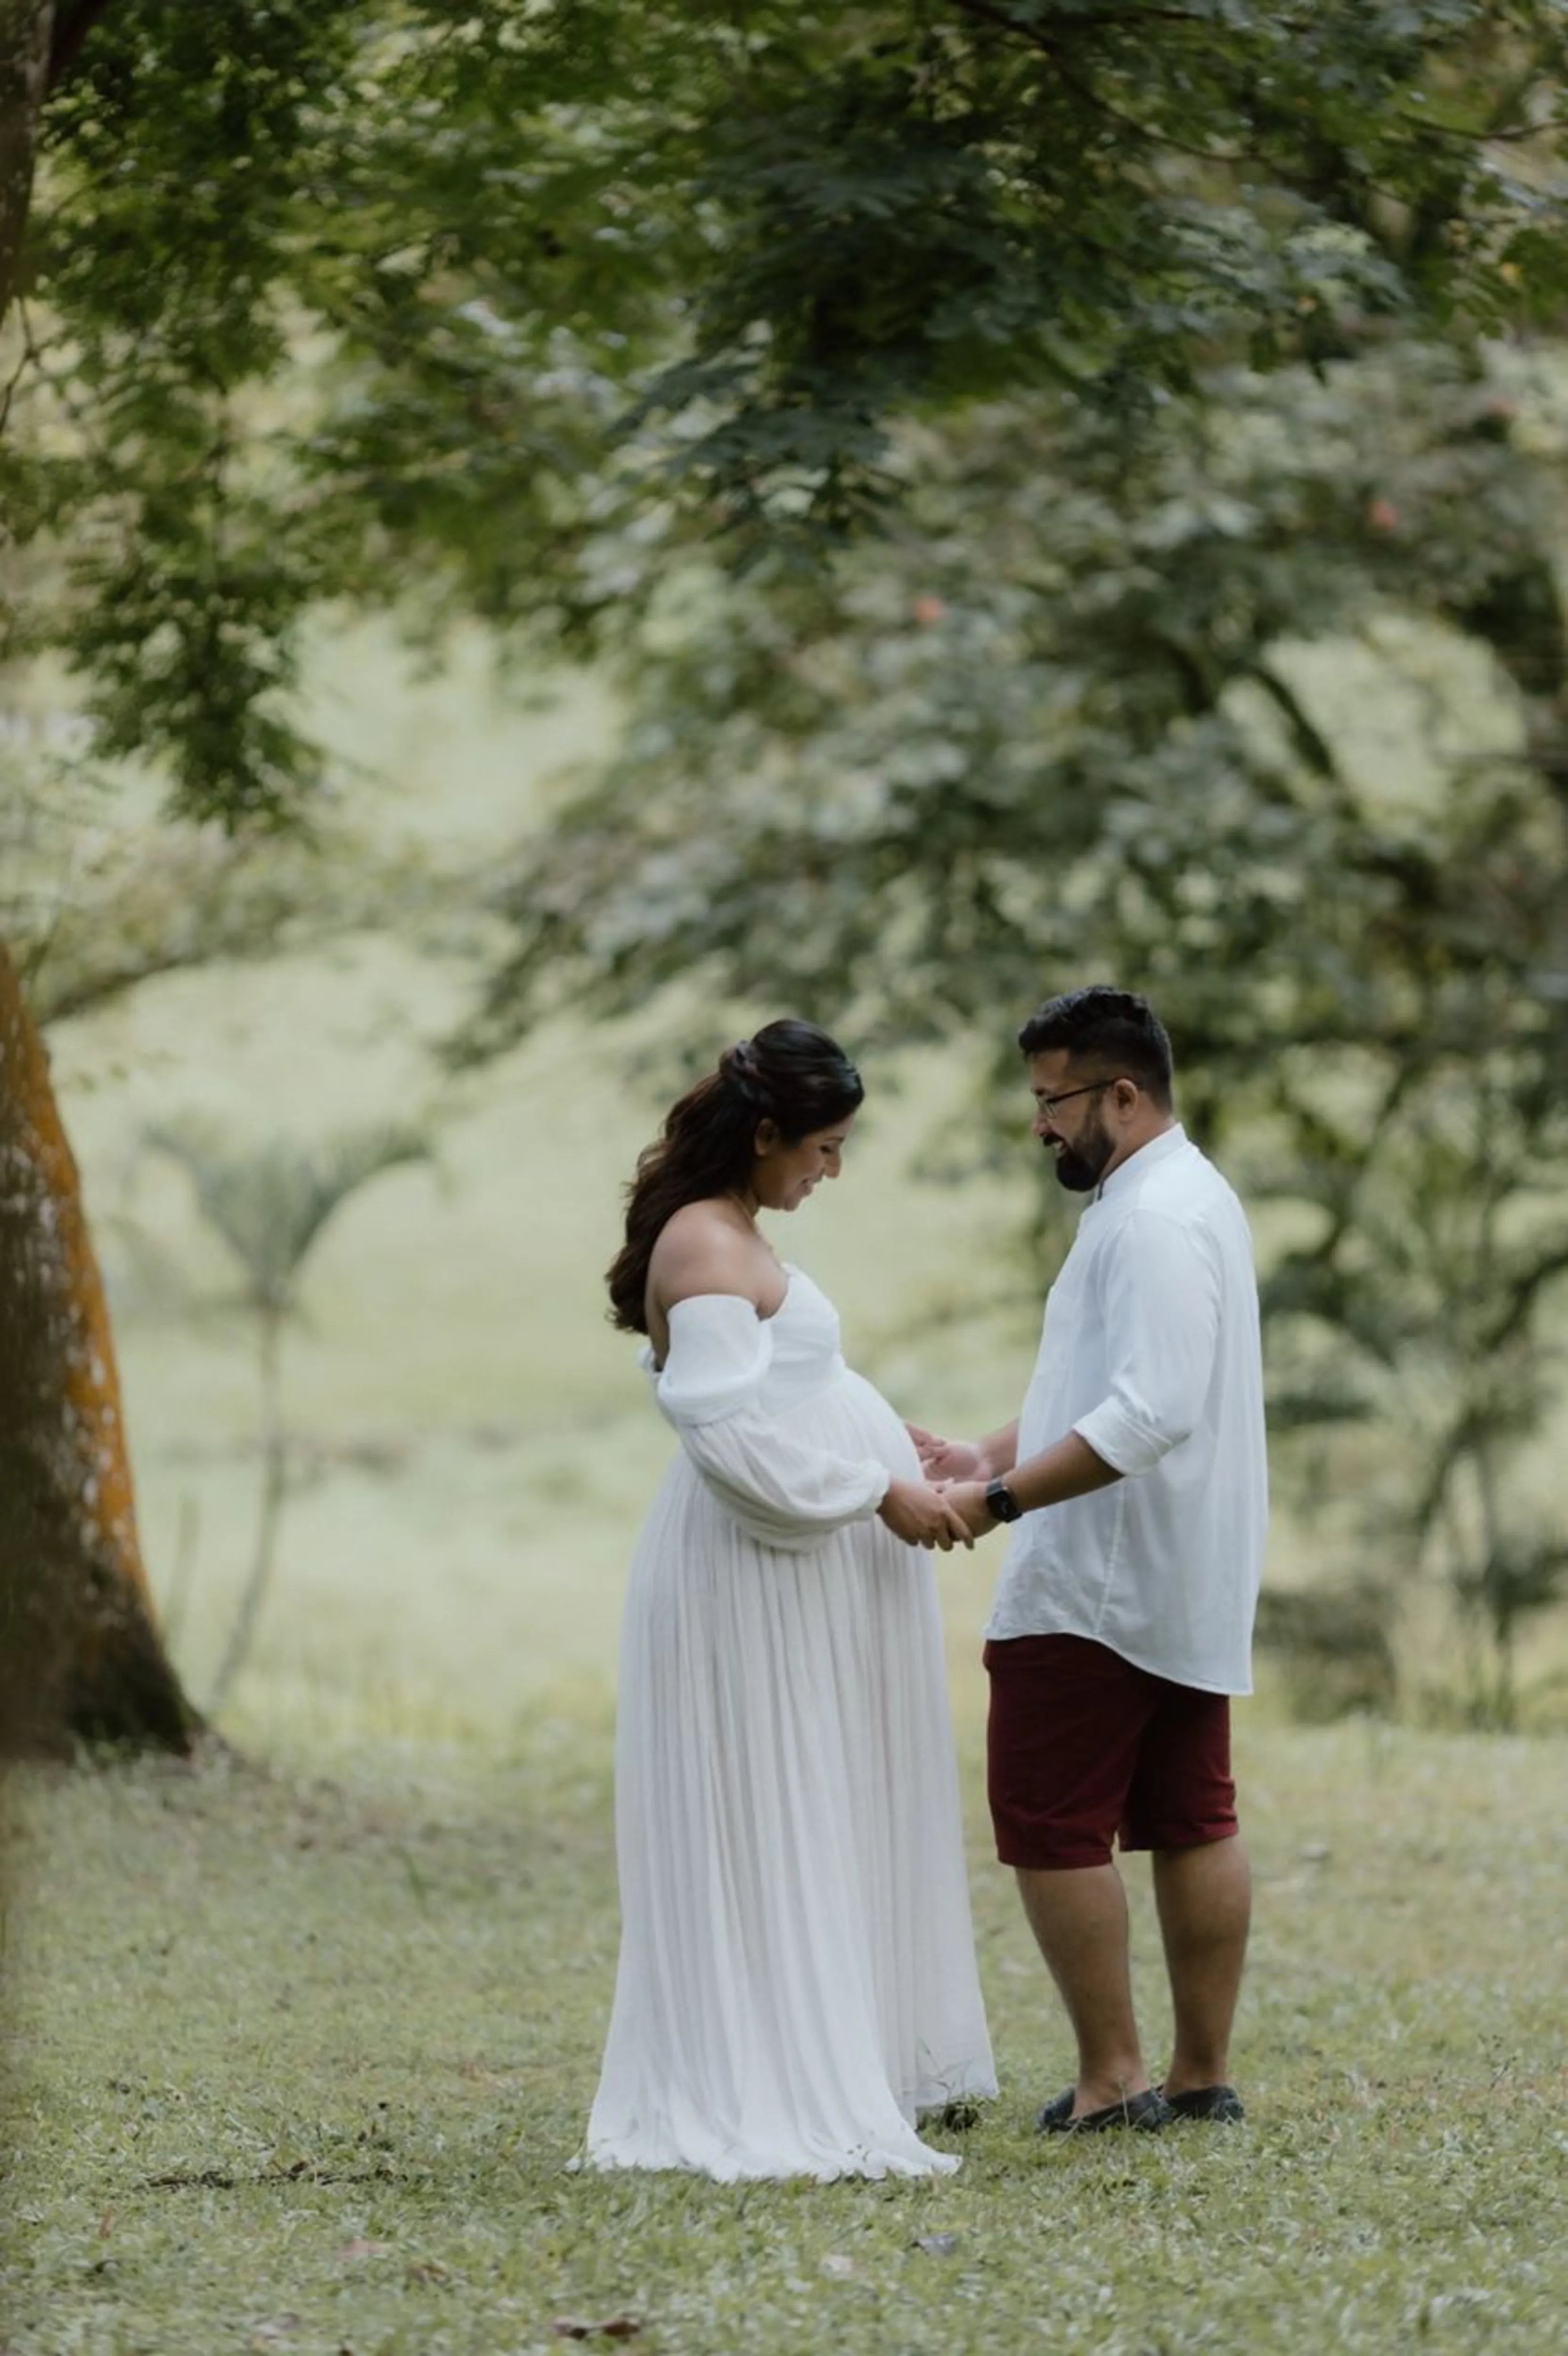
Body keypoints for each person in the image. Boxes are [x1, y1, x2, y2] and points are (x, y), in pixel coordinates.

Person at [583, 1019, 996, 2180]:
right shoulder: (706, 1248)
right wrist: (877, 1487)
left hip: (800, 1571)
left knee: (823, 1795)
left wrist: (881, 1428)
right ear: (763, 1133)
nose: (831, 1169)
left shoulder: (731, 1228)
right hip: (752, 1577)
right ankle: (765, 2073)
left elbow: (781, 1382)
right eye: (822, 1146)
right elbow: (728, 1442)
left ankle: (849, 2040)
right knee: (771, 1801)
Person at [914, 986, 1267, 2134]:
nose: (1039, 1125)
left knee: (1048, 1818)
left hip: (1096, 1584)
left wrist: (998, 1499)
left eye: (1052, 1099)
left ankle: (1114, 2080)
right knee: (1190, 1813)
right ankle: (1199, 2074)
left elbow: (1148, 1413)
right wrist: (982, 1447)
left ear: (1121, 1093)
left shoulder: (1153, 1220)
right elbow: (1109, 1390)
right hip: (1178, 1570)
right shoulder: (1177, 1198)